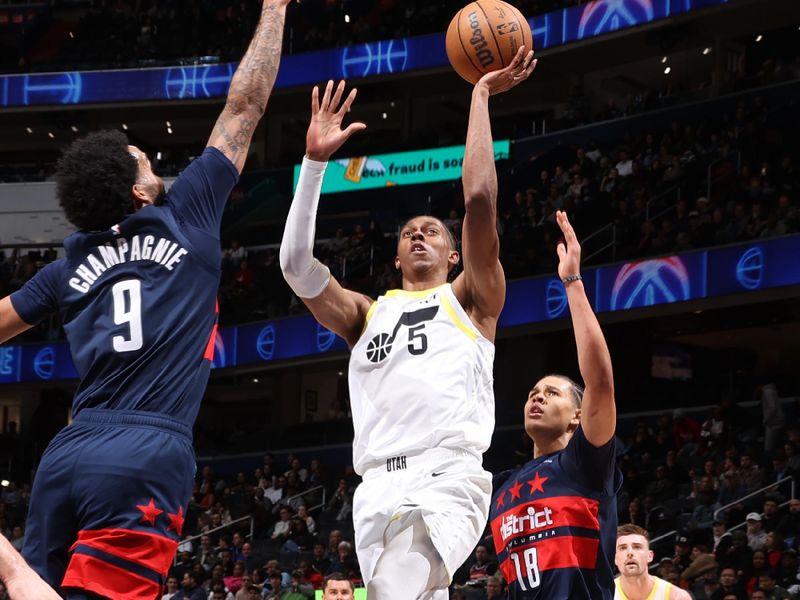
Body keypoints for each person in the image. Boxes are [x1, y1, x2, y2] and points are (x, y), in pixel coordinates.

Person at [0, 1, 291, 596]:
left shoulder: (69, 263)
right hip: (144, 449)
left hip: (68, 452)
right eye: (150, 162)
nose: (159, 166)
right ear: (138, 191)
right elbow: (245, 104)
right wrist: (275, 6)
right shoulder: (187, 214)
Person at [279, 48, 537, 600]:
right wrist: (315, 163)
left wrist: (480, 96)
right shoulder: (366, 314)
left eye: (433, 232)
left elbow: (479, 199)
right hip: (375, 488)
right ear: (396, 258)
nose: (420, 235)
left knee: (393, 591)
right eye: (409, 233)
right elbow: (296, 267)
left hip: (447, 475)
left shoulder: (472, 300)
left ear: (454, 255)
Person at [490, 210, 620, 599]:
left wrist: (572, 282)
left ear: (578, 417)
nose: (537, 396)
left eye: (552, 392)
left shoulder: (585, 462)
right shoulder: (499, 486)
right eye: (533, 392)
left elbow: (600, 381)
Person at [613, 524, 692, 600]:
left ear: (649, 556)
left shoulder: (677, 597)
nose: (630, 553)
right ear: (615, 558)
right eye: (623, 548)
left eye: (637, 547)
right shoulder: (604, 595)